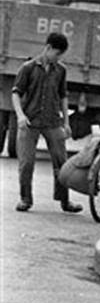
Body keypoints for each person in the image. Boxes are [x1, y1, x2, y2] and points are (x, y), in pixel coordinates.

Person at [12, 32, 82, 213]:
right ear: (48, 48)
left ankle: (65, 201)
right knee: (26, 163)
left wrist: (67, 122)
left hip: (52, 122)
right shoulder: (27, 68)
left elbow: (63, 96)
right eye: (57, 54)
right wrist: (20, 115)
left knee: (62, 163)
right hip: (30, 122)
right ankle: (25, 199)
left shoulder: (61, 70)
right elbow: (16, 93)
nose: (58, 58)